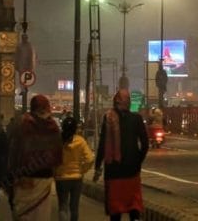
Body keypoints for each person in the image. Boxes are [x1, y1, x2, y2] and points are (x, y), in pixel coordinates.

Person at [94, 89, 149, 221]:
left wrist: (98, 167)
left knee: (115, 210)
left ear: (115, 102)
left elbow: (102, 145)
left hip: (113, 171)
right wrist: (137, 160)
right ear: (128, 103)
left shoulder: (108, 118)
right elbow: (145, 144)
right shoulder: (136, 119)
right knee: (134, 207)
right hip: (132, 171)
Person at [7, 95, 63, 220]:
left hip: (24, 176)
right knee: (41, 214)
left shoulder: (22, 123)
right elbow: (57, 153)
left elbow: (14, 150)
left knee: (24, 213)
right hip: (44, 178)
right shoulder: (53, 126)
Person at [55, 117, 95, 221]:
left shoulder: (57, 140)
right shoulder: (80, 141)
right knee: (74, 207)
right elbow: (90, 159)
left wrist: (54, 171)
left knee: (63, 206)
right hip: (76, 178)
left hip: (61, 177)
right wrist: (82, 170)